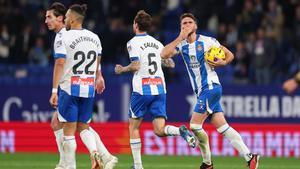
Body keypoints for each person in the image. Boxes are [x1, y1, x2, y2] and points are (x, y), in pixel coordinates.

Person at [160, 13, 259, 169]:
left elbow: (230, 54)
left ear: (196, 26)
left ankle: (207, 163)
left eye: (189, 22)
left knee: (194, 126)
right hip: (202, 91)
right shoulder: (181, 44)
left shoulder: (207, 41)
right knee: (223, 128)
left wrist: (223, 62)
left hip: (210, 87)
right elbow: (163, 54)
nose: (186, 25)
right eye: (183, 23)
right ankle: (250, 156)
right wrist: (180, 37)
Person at [114, 10, 196, 169]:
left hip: (142, 90)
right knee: (159, 129)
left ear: (135, 25)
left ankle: (138, 166)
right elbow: (169, 62)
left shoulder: (132, 43)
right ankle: (180, 131)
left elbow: (136, 65)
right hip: (159, 89)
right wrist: (166, 62)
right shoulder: (157, 43)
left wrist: (122, 69)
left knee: (133, 127)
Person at [48, 3, 117, 169]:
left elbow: (60, 63)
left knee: (69, 131)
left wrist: (54, 90)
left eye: (49, 17)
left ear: (70, 19)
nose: (46, 21)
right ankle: (98, 154)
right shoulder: (94, 37)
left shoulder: (63, 37)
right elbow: (98, 59)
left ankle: (68, 165)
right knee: (81, 127)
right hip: (87, 87)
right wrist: (99, 76)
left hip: (69, 87)